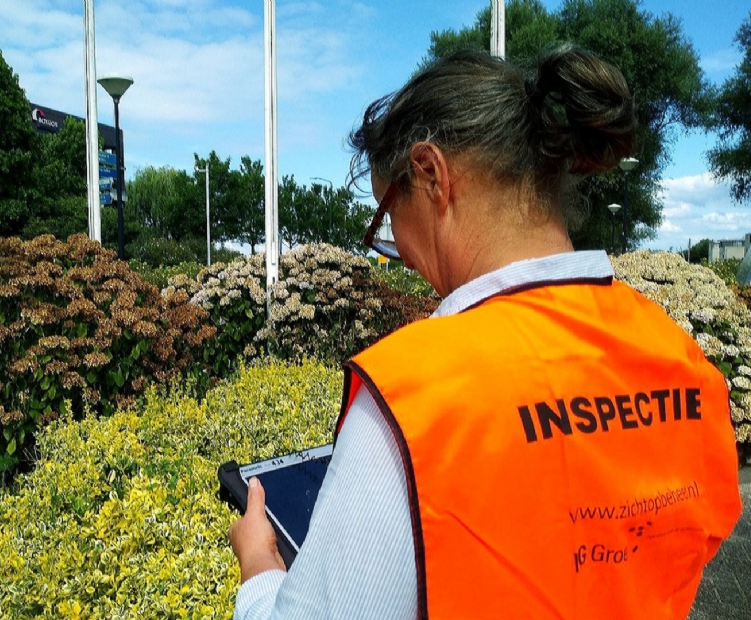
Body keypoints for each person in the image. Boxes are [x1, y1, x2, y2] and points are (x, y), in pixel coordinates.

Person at [228, 45, 742, 620]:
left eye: (387, 216)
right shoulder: (683, 360)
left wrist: (261, 578)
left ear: (431, 174)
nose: (396, 249)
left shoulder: (413, 398)